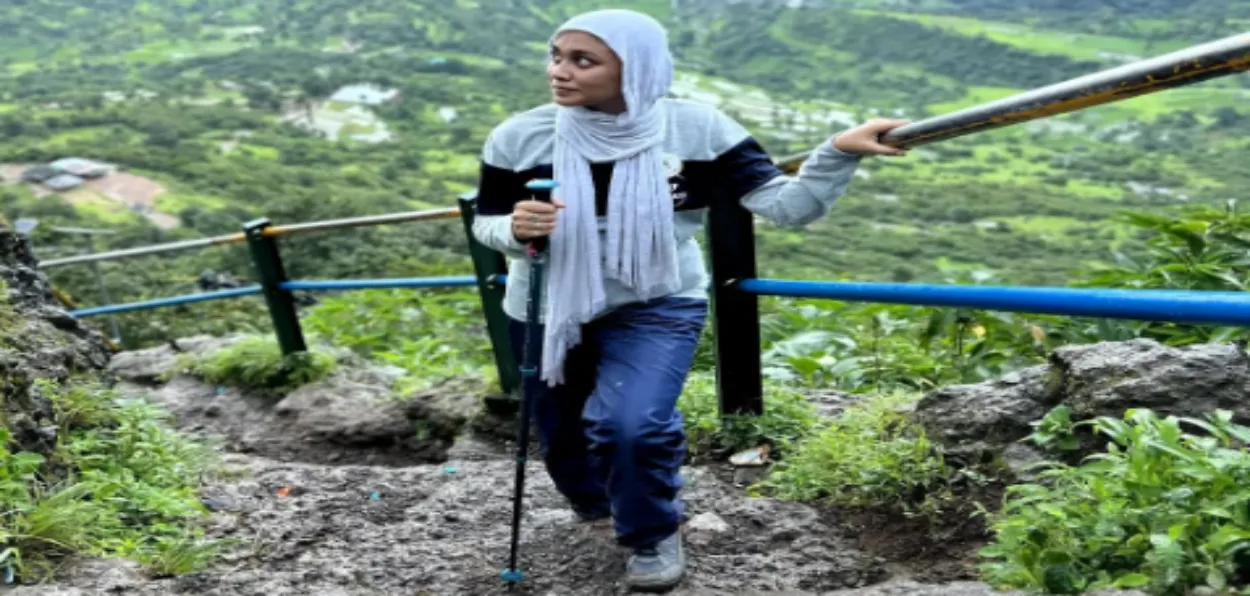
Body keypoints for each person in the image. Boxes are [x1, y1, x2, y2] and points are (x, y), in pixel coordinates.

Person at [471, 8, 908, 591]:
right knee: (564, 436)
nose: (560, 72)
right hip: (547, 305)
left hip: (656, 299)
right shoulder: (519, 136)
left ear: (638, 69)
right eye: (556, 56)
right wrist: (516, 230)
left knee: (632, 425)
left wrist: (836, 153)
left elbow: (787, 207)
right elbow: (487, 223)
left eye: (583, 60)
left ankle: (650, 530)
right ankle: (602, 505)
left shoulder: (698, 130)